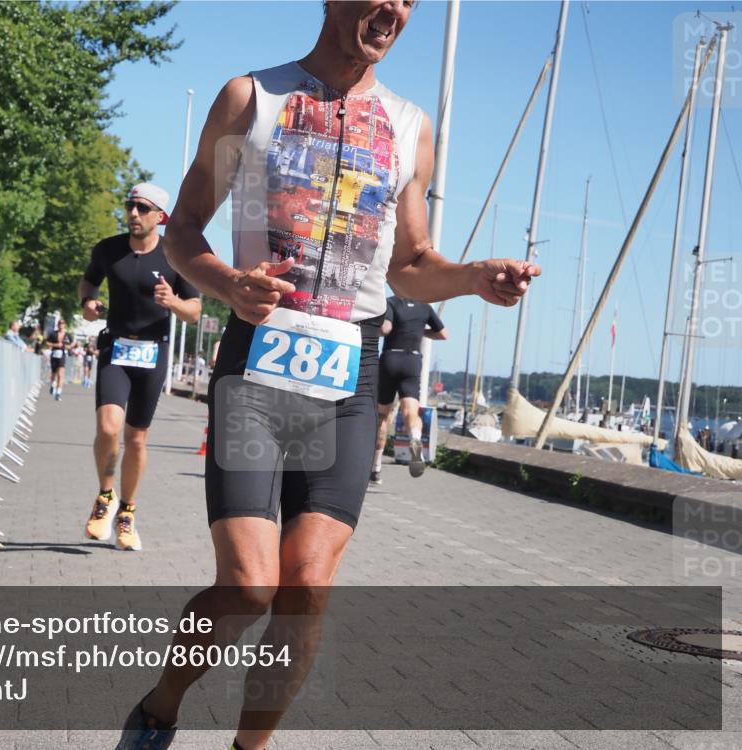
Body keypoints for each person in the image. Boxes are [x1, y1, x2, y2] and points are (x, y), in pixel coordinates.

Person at [115, 3, 541, 749]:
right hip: (256, 367)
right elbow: (184, 230)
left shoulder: (409, 126)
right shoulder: (252, 98)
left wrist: (473, 277)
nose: (396, 9)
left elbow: (411, 265)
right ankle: (159, 709)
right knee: (249, 585)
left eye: (410, 0)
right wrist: (228, 284)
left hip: (349, 375)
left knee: (306, 588)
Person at [79, 183, 201, 552]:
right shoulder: (109, 249)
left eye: (142, 208)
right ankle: (105, 496)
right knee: (107, 427)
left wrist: (173, 302)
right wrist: (88, 303)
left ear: (160, 217)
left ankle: (127, 513)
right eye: (130, 206)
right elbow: (89, 282)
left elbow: (194, 312)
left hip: (152, 353)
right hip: (116, 348)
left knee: (136, 438)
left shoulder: (175, 256)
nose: (133, 213)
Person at [371, 296, 447, 483]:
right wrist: (421, 331)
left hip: (391, 358)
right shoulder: (425, 306)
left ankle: (376, 467)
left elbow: (385, 329)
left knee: (382, 416)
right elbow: (443, 334)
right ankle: (415, 438)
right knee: (410, 412)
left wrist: (371, 328)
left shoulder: (392, 302)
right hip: (412, 361)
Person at [47, 319, 72, 401]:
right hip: (54, 354)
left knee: (60, 375)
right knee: (53, 373)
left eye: (62, 323)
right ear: (58, 325)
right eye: (60, 323)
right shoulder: (53, 334)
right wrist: (55, 345)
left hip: (62, 355)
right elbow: (47, 343)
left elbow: (71, 344)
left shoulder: (67, 335)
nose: (61, 325)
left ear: (65, 325)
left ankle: (58, 393)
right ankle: (52, 384)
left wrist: (67, 347)